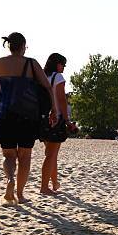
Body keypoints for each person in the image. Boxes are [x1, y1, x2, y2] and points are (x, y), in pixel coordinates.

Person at [0, 32, 56, 204]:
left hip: (5, 114)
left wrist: (5, 83)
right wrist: (53, 108)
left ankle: (9, 180)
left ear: (9, 45)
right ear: (23, 46)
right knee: (25, 157)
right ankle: (21, 194)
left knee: (8, 155)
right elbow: (47, 86)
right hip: (27, 115)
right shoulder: (31, 63)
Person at [40, 53, 74, 195]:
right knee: (51, 154)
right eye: (63, 64)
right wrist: (67, 120)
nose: (64, 67)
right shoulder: (58, 77)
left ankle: (54, 183)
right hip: (56, 118)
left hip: (43, 118)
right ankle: (44, 187)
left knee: (51, 153)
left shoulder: (42, 77)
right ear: (57, 63)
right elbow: (61, 100)